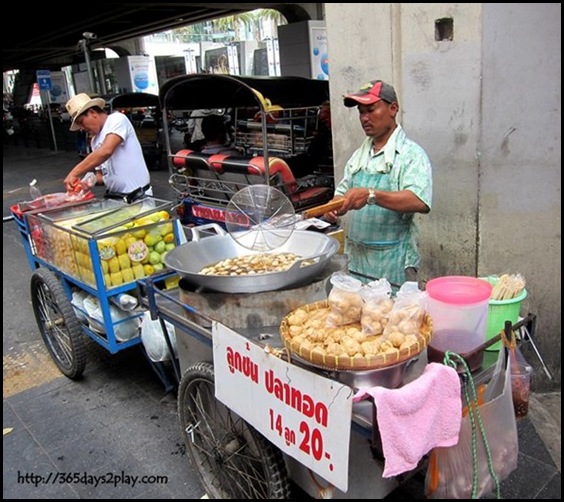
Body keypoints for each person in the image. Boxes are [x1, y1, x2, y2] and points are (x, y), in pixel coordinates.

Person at [323, 80, 433, 286]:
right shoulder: (359, 156)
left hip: (393, 262)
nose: (365, 118)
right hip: (357, 261)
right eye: (361, 112)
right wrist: (335, 206)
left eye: (371, 110)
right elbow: (342, 192)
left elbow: (419, 200)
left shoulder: (410, 155)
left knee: (391, 316)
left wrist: (371, 195)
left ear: (393, 109)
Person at [63, 93, 151, 202]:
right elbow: (102, 175)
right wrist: (88, 182)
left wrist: (74, 173)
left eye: (81, 122)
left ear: (92, 113)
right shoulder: (94, 141)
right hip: (115, 199)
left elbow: (106, 151)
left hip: (137, 197)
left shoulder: (117, 119)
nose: (82, 128)